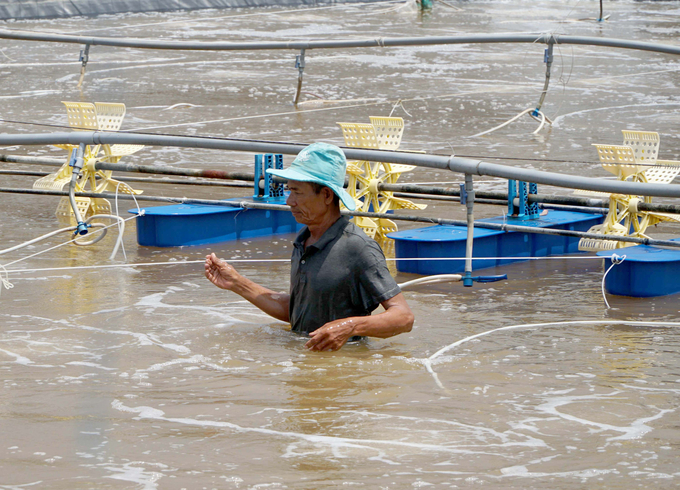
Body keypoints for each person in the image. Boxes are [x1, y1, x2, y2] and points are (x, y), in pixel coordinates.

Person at [205, 142, 414, 352]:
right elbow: (297, 310)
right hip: (304, 360)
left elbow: (403, 317)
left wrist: (349, 327)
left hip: (342, 367)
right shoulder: (303, 241)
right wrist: (236, 282)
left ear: (326, 196)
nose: (289, 201)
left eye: (297, 192)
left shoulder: (357, 247)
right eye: (289, 191)